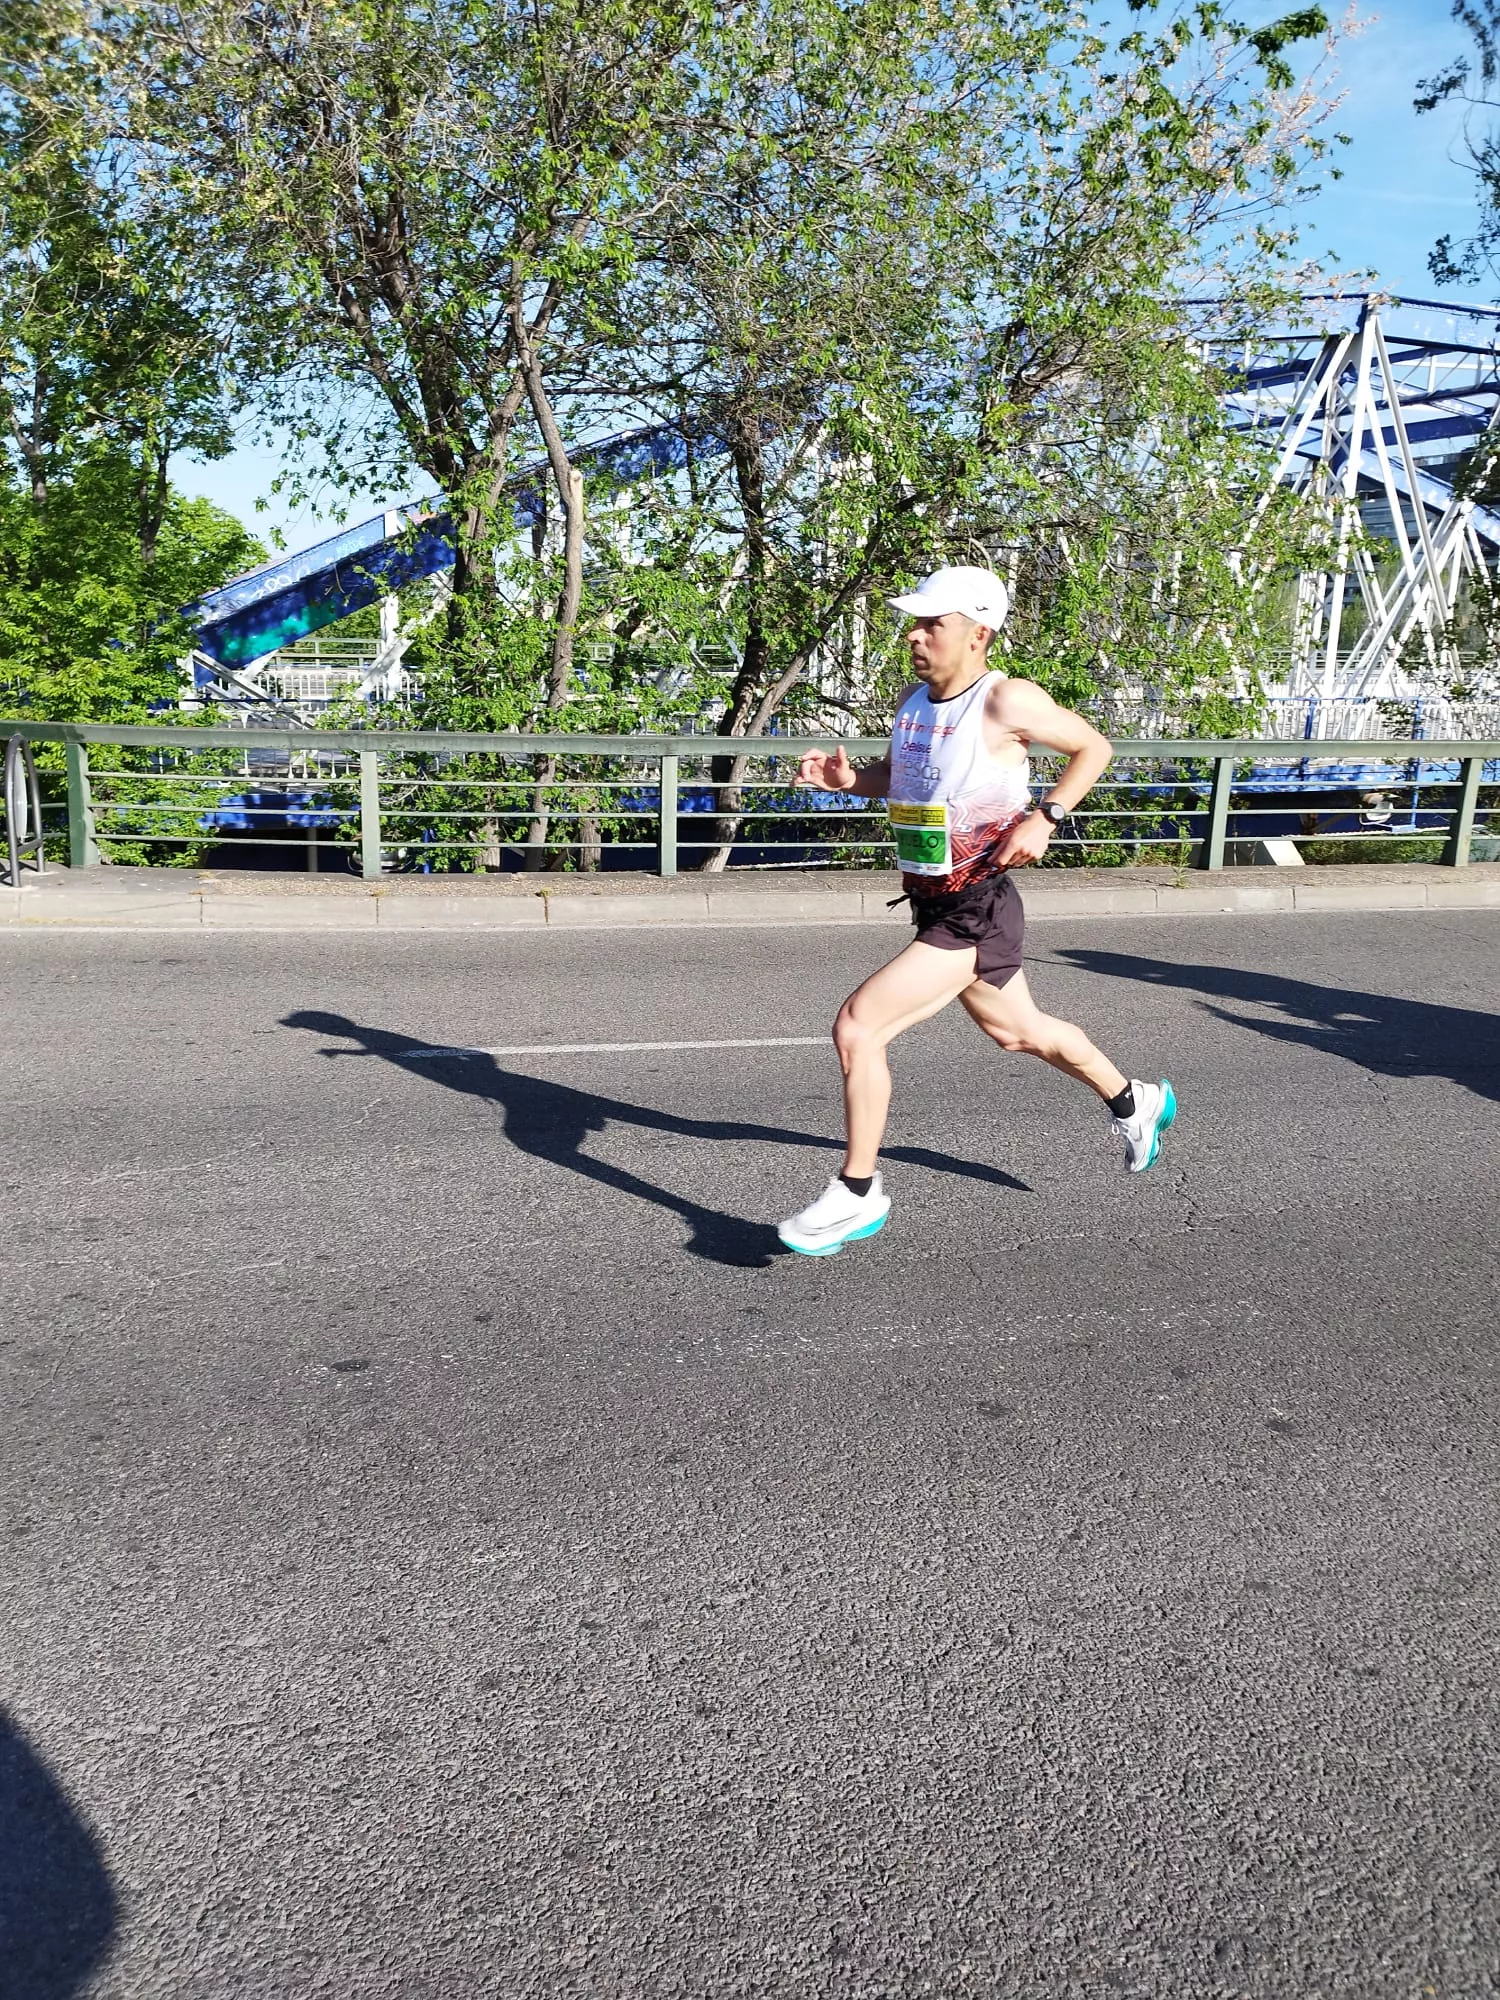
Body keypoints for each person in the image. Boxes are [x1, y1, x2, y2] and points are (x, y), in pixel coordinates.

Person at [777, 564, 1175, 1258]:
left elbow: (1094, 747)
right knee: (1020, 1034)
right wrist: (848, 781)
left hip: (978, 902)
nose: (915, 634)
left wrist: (1047, 816)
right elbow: (899, 782)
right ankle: (1135, 1100)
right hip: (936, 901)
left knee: (858, 1029)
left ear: (978, 632)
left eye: (933, 622)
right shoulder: (913, 702)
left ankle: (858, 1192)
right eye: (916, 620)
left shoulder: (1005, 700)